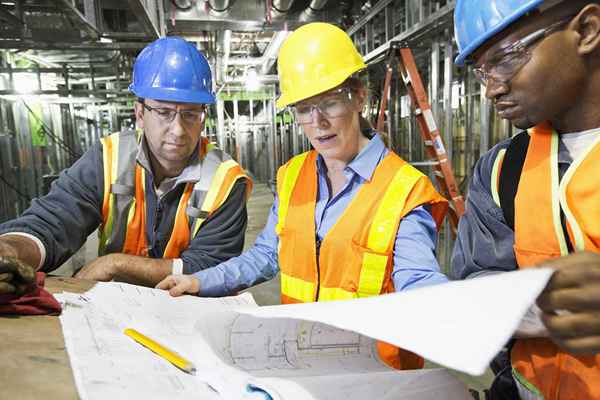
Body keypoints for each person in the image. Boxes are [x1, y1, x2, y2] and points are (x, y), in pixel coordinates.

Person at [157, 22, 449, 370]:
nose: (318, 122)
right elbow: (267, 255)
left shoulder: (404, 189)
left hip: (375, 380)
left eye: (329, 103)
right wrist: (200, 281)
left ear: (359, 97)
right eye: (304, 109)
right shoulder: (293, 175)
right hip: (302, 367)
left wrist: (452, 309)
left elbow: (419, 280)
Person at [0, 36, 251, 293]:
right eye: (164, 112)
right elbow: (56, 220)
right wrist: (11, 249)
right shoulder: (109, 157)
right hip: (114, 307)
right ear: (140, 114)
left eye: (189, 114)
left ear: (203, 117)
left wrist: (117, 264)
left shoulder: (225, 180)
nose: (178, 129)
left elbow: (214, 267)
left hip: (191, 312)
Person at [452, 0, 600, 398]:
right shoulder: (503, 170)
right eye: (483, 70)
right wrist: (535, 306)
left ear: (586, 30)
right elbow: (478, 280)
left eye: (506, 58)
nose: (491, 89)